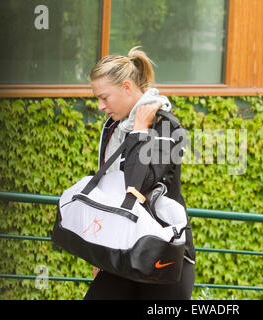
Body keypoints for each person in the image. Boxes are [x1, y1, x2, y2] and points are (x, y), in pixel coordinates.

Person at [83, 47, 195, 300]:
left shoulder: (165, 125)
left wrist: (140, 130)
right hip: (123, 251)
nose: (100, 106)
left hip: (163, 256)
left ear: (126, 87)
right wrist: (101, 248)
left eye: (104, 97)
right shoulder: (113, 126)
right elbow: (108, 188)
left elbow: (136, 186)